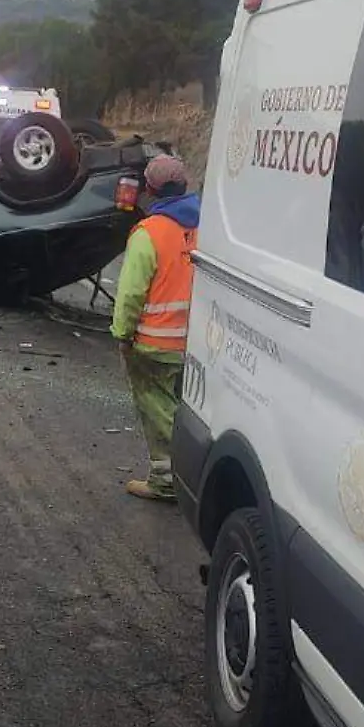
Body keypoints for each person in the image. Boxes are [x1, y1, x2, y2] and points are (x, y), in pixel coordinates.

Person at [109, 155, 200, 502]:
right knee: (187, 410)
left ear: (150, 189)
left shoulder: (149, 233)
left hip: (155, 344)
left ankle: (166, 481)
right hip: (198, 343)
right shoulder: (209, 226)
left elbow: (131, 293)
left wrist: (122, 334)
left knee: (159, 411)